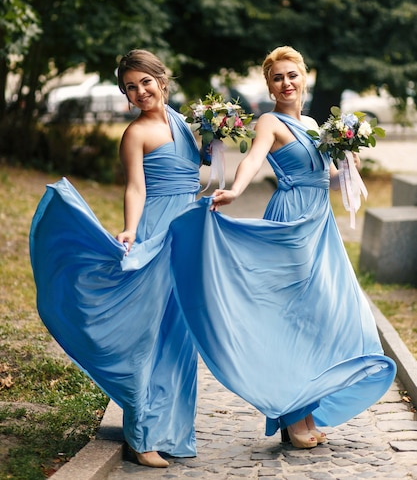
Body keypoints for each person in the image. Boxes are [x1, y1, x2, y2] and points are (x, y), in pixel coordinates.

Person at [168, 45, 396, 450]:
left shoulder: (311, 122)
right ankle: (294, 417)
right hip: (290, 222)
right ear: (269, 85)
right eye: (277, 77)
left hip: (319, 223)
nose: (285, 83)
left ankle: (305, 407)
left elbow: (321, 173)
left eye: (291, 75)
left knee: (323, 314)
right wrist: (235, 190)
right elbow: (253, 161)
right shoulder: (268, 123)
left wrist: (347, 162)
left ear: (303, 77)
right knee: (292, 318)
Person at [30, 49, 201, 468]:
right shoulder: (136, 133)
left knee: (181, 335)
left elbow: (198, 169)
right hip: (158, 232)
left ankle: (174, 433)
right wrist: (129, 228)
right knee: (147, 335)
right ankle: (140, 437)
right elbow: (136, 188)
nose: (140, 91)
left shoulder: (183, 122)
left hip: (189, 234)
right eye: (130, 87)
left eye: (145, 81)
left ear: (162, 79)